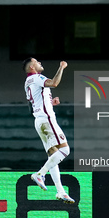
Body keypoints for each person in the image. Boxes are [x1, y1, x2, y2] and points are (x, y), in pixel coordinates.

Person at [23, 57, 74, 204]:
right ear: (32, 66)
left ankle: (61, 191)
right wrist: (61, 67)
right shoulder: (37, 77)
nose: (40, 63)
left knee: (53, 156)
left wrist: (51, 103)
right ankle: (40, 174)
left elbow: (34, 103)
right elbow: (54, 83)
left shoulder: (28, 82)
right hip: (47, 119)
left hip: (39, 121)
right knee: (65, 151)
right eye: (37, 62)